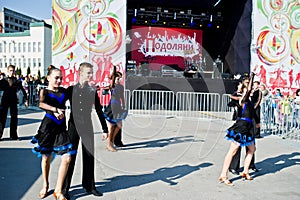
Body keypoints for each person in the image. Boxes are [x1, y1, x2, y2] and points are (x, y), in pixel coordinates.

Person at [62, 62, 109, 199]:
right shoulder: (70, 90)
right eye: (88, 73)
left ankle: (89, 185)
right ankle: (65, 188)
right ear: (80, 73)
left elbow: (99, 110)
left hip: (87, 126)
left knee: (89, 156)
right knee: (70, 156)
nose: (90, 75)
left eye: (91, 73)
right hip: (73, 127)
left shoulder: (92, 91)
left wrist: (104, 129)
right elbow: (60, 104)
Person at [31, 66, 73, 200]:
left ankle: (59, 190)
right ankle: (45, 184)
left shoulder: (64, 92)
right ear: (48, 78)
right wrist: (55, 110)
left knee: (67, 158)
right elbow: (41, 104)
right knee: (46, 158)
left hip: (61, 129)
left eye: (61, 78)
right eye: (56, 78)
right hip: (47, 129)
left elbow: (74, 93)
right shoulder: (44, 91)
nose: (59, 80)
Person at [219, 72, 258, 186]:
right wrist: (252, 76)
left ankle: (245, 171)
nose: (250, 91)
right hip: (241, 126)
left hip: (248, 127)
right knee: (233, 151)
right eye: (248, 90)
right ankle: (223, 175)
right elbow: (249, 89)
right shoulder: (243, 99)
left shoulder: (249, 100)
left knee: (252, 149)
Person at [0, 65, 28, 140]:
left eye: (13, 70)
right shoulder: (3, 81)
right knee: (2, 118)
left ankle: (13, 135)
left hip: (13, 100)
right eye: (10, 70)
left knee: (14, 118)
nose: (12, 72)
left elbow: (22, 90)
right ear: (8, 71)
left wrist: (26, 100)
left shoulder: (17, 81)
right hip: (5, 100)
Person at [103, 66, 127, 152]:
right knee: (112, 126)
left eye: (120, 79)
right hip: (112, 107)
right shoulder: (112, 86)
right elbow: (112, 80)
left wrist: (124, 105)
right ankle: (109, 143)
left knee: (119, 125)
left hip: (118, 107)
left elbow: (122, 97)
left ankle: (112, 141)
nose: (119, 80)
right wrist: (114, 69)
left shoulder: (121, 87)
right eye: (117, 79)